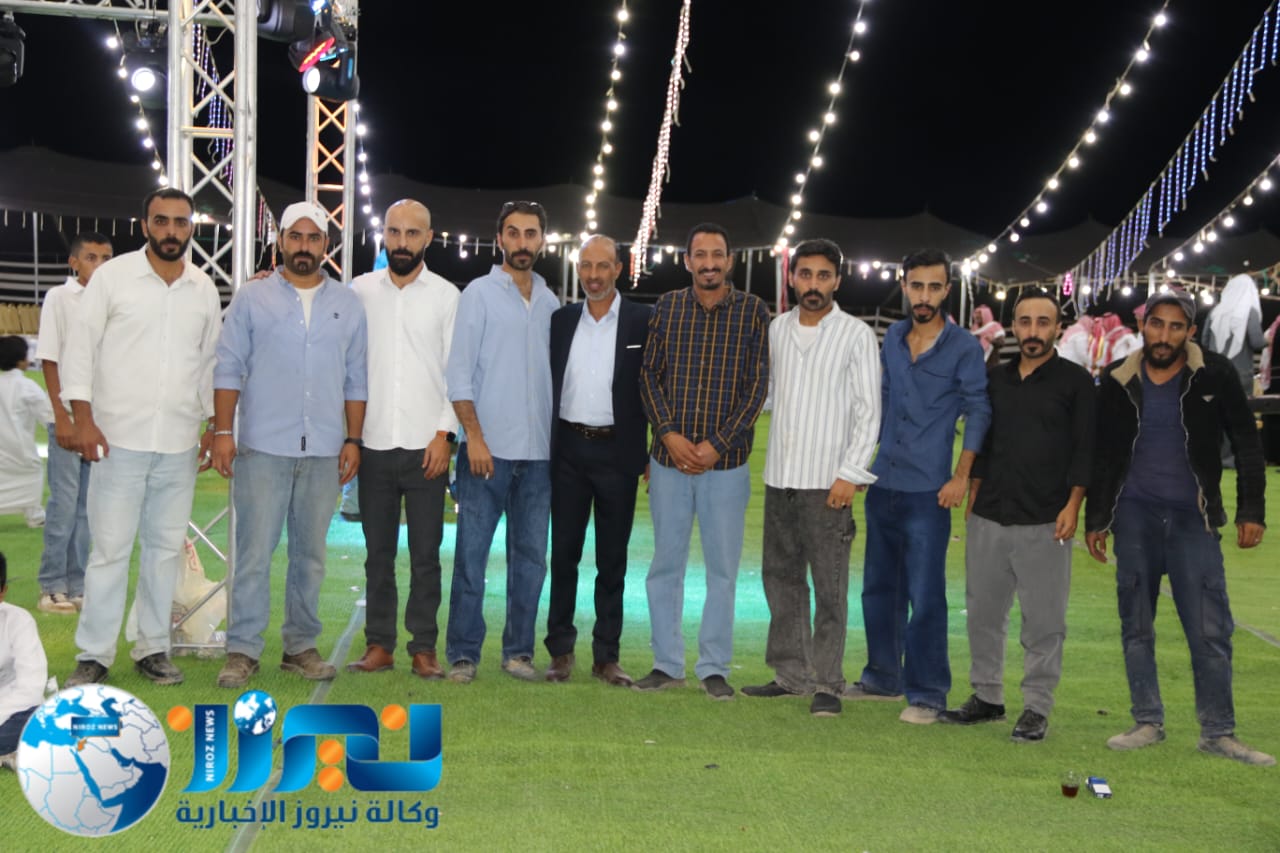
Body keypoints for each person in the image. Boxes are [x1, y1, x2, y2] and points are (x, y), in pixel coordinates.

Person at [1085, 288, 1273, 766]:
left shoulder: (1215, 375)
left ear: (1190, 331)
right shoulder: (1118, 378)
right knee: (1136, 625)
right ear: (1142, 326)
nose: (1164, 336)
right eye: (1156, 324)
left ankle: (1218, 732)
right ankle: (1147, 721)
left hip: (1194, 519)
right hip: (1134, 518)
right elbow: (1103, 454)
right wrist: (1098, 519)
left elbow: (1247, 444)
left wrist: (1252, 510)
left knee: (1211, 629)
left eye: (1175, 327)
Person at [61, 187, 222, 688]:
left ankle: (153, 647)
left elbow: (209, 364)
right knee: (109, 550)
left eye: (180, 222)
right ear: (145, 224)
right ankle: (94, 654)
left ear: (191, 227)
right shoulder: (113, 278)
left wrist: (211, 425)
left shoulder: (203, 287)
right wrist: (82, 420)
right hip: (117, 438)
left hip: (178, 440)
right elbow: (80, 350)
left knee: (164, 550)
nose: (171, 231)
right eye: (162, 221)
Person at [210, 201, 368, 689]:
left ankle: (300, 647)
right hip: (263, 446)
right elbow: (228, 367)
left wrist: (353, 438)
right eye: (294, 237)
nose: (303, 246)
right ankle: (242, 650)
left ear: (326, 245)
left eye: (313, 237)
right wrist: (222, 432)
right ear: (280, 241)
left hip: (323, 449)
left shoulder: (348, 303)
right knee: (254, 554)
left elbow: (356, 378)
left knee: (311, 557)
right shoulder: (252, 298)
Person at [939, 291, 1094, 741]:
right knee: (983, 614)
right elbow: (982, 443)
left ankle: (1036, 707)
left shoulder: (1076, 383)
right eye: (1025, 321)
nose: (1033, 331)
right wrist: (974, 495)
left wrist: (1074, 505)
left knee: (1044, 621)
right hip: (990, 514)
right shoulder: (995, 380)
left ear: (1058, 328)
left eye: (1043, 322)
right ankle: (987, 696)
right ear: (1013, 326)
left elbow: (1086, 450)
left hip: (1046, 519)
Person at [849, 248, 990, 724]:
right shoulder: (892, 337)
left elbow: (979, 410)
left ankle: (928, 692)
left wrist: (961, 476)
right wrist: (861, 464)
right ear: (904, 285)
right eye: (917, 286)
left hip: (930, 491)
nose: (924, 296)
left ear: (947, 290)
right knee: (878, 588)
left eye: (934, 287)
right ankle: (882, 678)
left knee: (926, 595)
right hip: (883, 481)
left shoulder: (964, 347)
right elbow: (882, 402)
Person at [740, 238, 880, 717]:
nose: (813, 284)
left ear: (837, 280)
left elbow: (869, 411)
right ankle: (791, 675)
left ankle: (827, 682)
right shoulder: (776, 329)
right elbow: (766, 395)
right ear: (792, 278)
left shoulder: (856, 335)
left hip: (829, 483)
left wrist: (850, 474)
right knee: (781, 580)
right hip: (781, 477)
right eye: (805, 275)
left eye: (823, 276)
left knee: (829, 586)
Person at [635, 222, 770, 700]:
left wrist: (717, 444)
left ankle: (714, 666)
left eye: (717, 254)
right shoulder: (668, 306)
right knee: (665, 566)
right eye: (700, 254)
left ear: (729, 261)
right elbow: (648, 376)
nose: (709, 263)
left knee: (722, 571)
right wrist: (669, 435)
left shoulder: (753, 310)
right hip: (669, 463)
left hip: (726, 466)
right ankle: (666, 664)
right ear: (687, 260)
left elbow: (757, 387)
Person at [444, 201, 558, 683]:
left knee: (531, 561)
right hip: (485, 452)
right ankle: (463, 653)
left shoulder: (551, 302)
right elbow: (458, 373)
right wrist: (473, 437)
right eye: (513, 233)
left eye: (530, 233)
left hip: (539, 457)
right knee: (472, 557)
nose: (522, 242)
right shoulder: (479, 294)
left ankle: (518, 653)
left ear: (542, 241)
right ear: (500, 239)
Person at [346, 199, 457, 680]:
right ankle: (379, 645)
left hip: (426, 446)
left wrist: (444, 434)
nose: (402, 242)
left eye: (412, 233)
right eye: (394, 232)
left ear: (428, 238)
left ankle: (424, 648)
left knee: (426, 555)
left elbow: (457, 374)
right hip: (372, 443)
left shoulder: (447, 296)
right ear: (384, 235)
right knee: (378, 555)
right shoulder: (358, 292)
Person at [543, 234, 651, 687]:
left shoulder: (643, 320)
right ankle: (560, 651)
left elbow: (654, 386)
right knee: (563, 555)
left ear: (619, 269)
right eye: (586, 266)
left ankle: (606, 655)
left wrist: (650, 452)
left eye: (602, 265)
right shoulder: (561, 320)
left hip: (618, 454)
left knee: (612, 560)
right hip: (568, 451)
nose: (593, 275)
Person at [33, 233, 112, 615]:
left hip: (99, 419)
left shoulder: (110, 298)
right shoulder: (60, 298)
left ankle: (78, 584)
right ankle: (51, 586)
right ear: (74, 262)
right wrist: (60, 416)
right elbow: (49, 358)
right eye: (92, 257)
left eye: (107, 258)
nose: (100, 264)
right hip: (66, 417)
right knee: (64, 505)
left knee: (87, 508)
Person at [0, 551, 48, 771]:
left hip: (12, 709)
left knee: (41, 718)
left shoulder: (19, 621)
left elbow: (30, 689)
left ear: (3, 592)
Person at [0, 336, 52, 528]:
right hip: (19, 449)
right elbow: (47, 415)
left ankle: (35, 514)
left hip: (7, 448)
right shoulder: (27, 387)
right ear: (22, 360)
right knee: (33, 473)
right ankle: (35, 515)